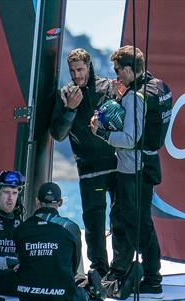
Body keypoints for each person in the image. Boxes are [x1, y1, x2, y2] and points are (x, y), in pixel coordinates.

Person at [89, 45, 173, 297]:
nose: (116, 76)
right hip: (149, 163)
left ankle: (151, 278)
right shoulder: (159, 86)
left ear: (128, 69)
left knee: (135, 224)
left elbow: (129, 138)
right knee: (140, 222)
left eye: (118, 71)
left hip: (132, 168)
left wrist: (101, 131)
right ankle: (144, 273)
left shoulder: (135, 97)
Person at [50, 48, 131, 281]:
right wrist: (70, 110)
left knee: (119, 219)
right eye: (72, 71)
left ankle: (120, 269)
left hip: (115, 166)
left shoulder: (108, 88)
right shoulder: (65, 94)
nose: (76, 75)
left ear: (89, 66)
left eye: (80, 69)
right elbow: (57, 133)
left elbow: (126, 122)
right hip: (89, 170)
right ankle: (99, 270)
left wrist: (119, 99)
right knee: (94, 222)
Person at [13, 182, 89, 301]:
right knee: (84, 294)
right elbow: (74, 266)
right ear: (60, 202)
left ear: (37, 201)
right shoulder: (71, 227)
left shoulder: (21, 229)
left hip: (26, 300)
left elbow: (22, 260)